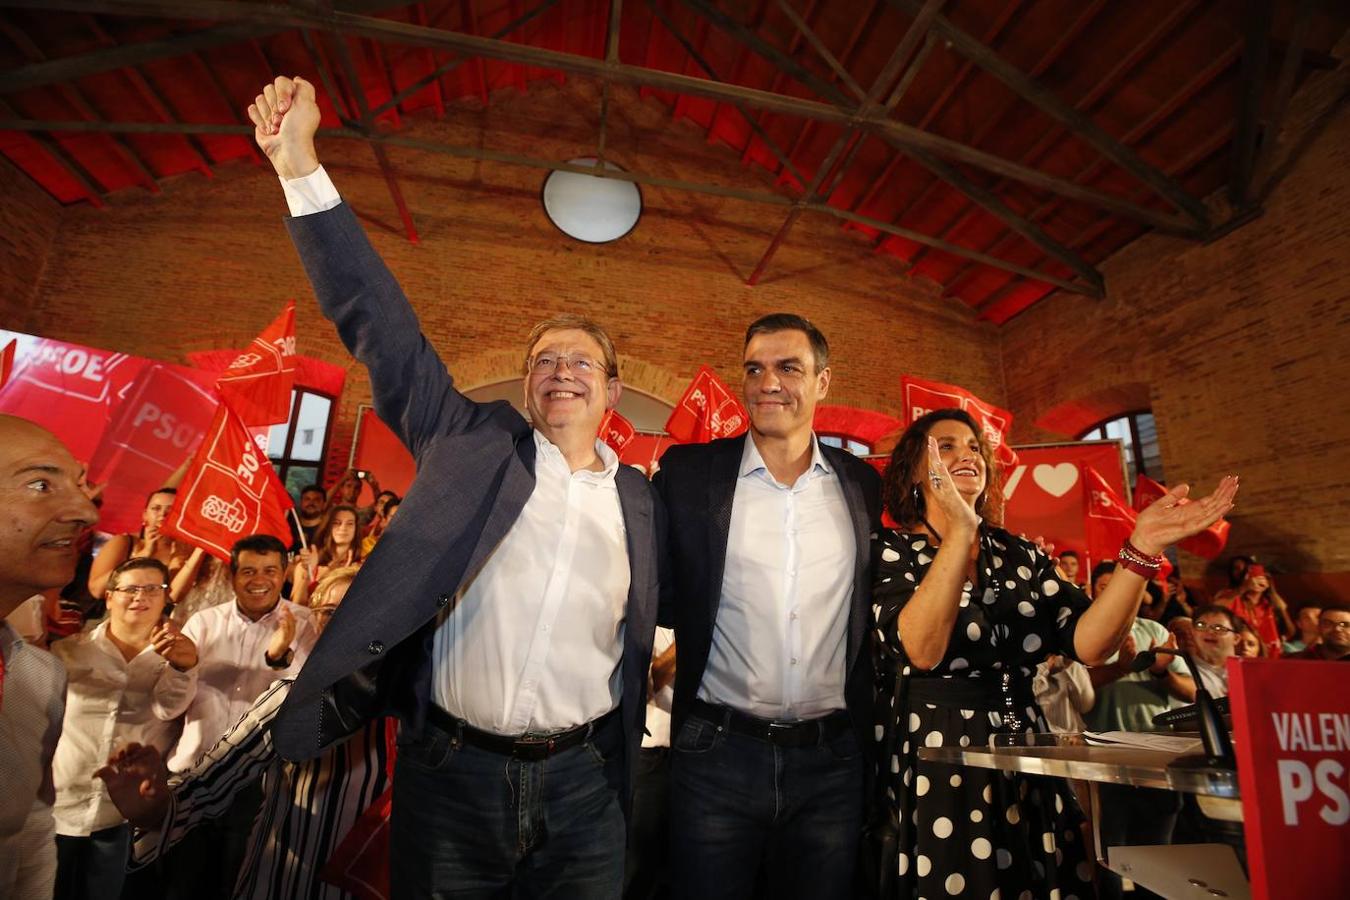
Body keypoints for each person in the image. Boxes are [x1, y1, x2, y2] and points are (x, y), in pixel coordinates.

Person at [250, 74, 661, 899]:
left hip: (585, 789)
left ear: (612, 392)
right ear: (527, 385)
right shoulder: (470, 442)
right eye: (544, 359)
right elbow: (380, 321)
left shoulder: (644, 503)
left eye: (582, 359)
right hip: (451, 775)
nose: (561, 370)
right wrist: (299, 164)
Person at [871, 407, 1237, 898]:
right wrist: (959, 531)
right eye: (947, 446)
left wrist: (1141, 549)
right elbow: (921, 649)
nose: (968, 455)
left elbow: (1091, 644)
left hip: (1026, 741)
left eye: (975, 447)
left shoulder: (1019, 554)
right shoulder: (891, 550)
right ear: (915, 470)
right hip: (937, 751)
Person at [654, 313, 882, 900]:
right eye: (754, 369)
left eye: (788, 368)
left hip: (833, 763)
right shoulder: (689, 475)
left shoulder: (862, 486)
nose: (767, 383)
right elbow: (647, 587)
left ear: (823, 383)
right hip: (715, 757)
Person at [96, 567, 390, 900]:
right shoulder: (286, 701)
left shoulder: (427, 712)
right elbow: (203, 790)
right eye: (329, 612)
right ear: (316, 623)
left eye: (361, 604)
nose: (345, 620)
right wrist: (153, 806)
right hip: (280, 886)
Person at [162, 533, 316, 900]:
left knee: (236, 885)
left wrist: (279, 658)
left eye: (269, 570)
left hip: (260, 782)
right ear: (232, 576)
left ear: (284, 575)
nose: (258, 579)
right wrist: (182, 669)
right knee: (176, 884)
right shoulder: (203, 623)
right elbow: (166, 708)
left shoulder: (306, 625)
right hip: (193, 776)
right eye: (248, 570)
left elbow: (303, 705)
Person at [50, 556, 198, 900]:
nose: (140, 596)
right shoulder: (68, 651)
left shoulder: (179, 654)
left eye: (152, 589)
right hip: (59, 803)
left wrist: (183, 667)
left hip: (123, 814)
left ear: (165, 598)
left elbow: (168, 708)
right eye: (129, 588)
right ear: (109, 596)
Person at [0, 414, 100, 900]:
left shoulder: (38, 677)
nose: (87, 510)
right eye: (41, 484)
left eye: (79, 486)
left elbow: (30, 831)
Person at [86, 487, 189, 598]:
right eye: (156, 508)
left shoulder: (186, 549)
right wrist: (143, 554)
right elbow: (97, 590)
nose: (162, 514)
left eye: (171, 509)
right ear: (145, 515)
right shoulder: (124, 542)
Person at [291, 504, 363, 606]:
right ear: (328, 527)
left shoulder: (362, 567)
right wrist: (307, 573)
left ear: (356, 529)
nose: (343, 528)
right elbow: (296, 608)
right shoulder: (307, 565)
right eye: (337, 523)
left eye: (350, 524)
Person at [1221, 564, 1293, 657]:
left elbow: (1290, 631)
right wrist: (1244, 587)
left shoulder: (1271, 603)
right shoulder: (1233, 597)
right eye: (1254, 578)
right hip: (1240, 652)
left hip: (1270, 656)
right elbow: (1215, 607)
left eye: (1262, 578)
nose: (1257, 582)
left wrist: (1280, 606)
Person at [1190, 605, 1239, 696]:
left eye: (1218, 628)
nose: (1209, 632)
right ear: (1192, 632)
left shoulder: (1249, 670)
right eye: (1201, 625)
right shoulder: (1185, 668)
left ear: (1236, 638)